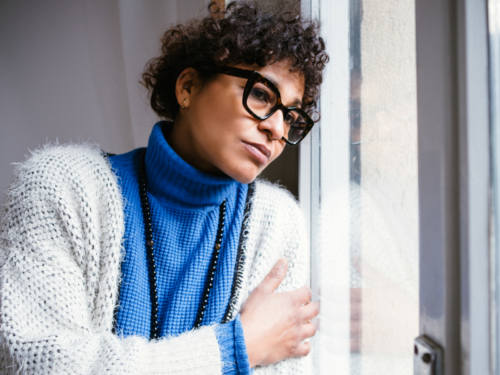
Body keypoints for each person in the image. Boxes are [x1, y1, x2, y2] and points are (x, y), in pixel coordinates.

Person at [0, 1, 328, 374]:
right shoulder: (62, 188)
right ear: (187, 87)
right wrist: (238, 347)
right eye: (261, 95)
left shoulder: (278, 222)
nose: (277, 129)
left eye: (291, 116)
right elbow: (39, 364)